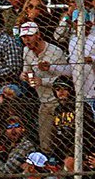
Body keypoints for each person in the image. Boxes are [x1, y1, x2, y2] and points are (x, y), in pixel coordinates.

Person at [18, 21, 69, 153]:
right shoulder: (26, 51)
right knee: (45, 142)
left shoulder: (55, 52)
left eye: (29, 36)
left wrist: (43, 81)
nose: (26, 40)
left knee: (63, 141)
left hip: (59, 101)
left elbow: (67, 79)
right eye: (23, 37)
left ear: (38, 35)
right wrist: (25, 76)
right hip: (43, 100)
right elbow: (27, 71)